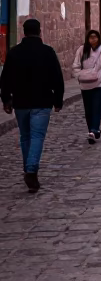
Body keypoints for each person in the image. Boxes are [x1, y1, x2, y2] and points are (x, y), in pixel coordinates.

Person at [0, 18, 64, 191]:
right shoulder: (47, 52)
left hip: (21, 101)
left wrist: (6, 99)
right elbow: (57, 78)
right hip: (42, 101)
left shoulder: (14, 52)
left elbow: (5, 78)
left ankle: (29, 168)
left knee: (25, 136)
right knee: (37, 136)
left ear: (24, 32)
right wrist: (58, 100)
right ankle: (31, 169)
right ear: (40, 31)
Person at [72, 29, 101, 144]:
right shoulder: (82, 50)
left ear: (99, 38)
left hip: (100, 84)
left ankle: (94, 129)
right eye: (91, 37)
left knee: (97, 107)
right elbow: (76, 65)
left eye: (95, 37)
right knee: (88, 109)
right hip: (85, 85)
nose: (93, 39)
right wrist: (79, 76)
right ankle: (91, 130)